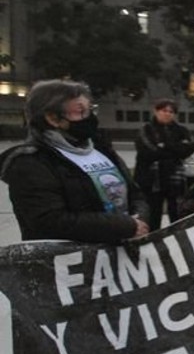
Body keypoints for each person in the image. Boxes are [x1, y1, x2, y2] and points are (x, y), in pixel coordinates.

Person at [1, 79, 149, 243]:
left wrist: (139, 218)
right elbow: (50, 221)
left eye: (91, 110)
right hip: (68, 264)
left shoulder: (100, 149)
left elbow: (135, 193)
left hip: (119, 258)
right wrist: (123, 226)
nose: (90, 117)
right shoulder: (30, 163)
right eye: (81, 112)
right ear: (53, 118)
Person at [133, 98, 194, 230]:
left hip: (176, 179)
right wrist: (176, 150)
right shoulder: (146, 129)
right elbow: (149, 151)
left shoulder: (182, 130)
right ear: (156, 111)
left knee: (177, 211)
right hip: (151, 180)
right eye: (164, 110)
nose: (168, 114)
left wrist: (165, 146)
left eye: (171, 111)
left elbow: (190, 146)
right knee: (153, 212)